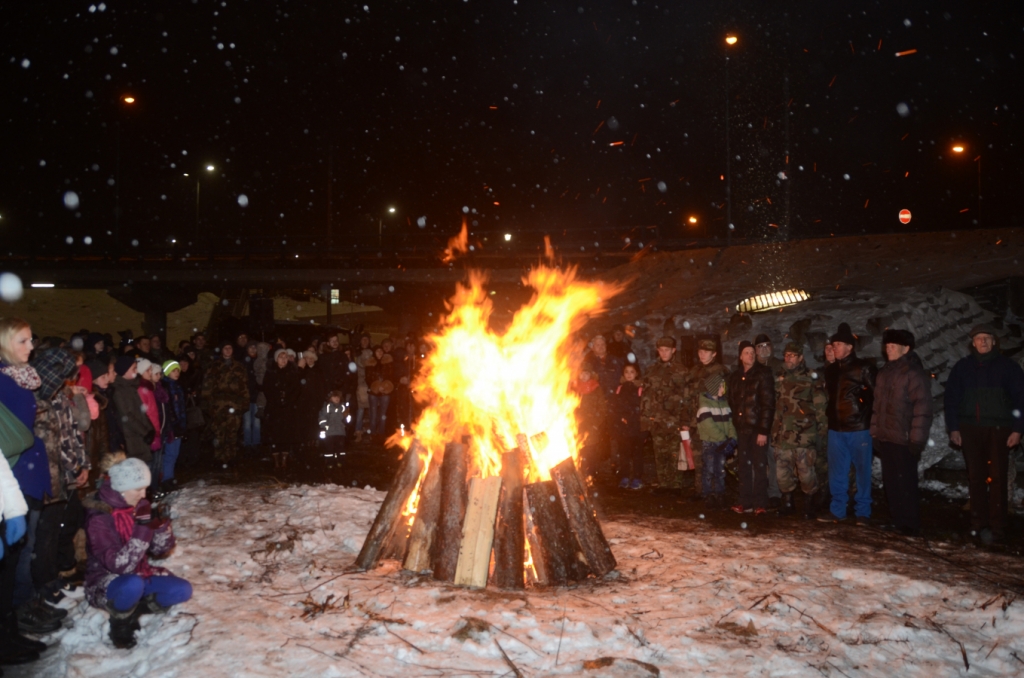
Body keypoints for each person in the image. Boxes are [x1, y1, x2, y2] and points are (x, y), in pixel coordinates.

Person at [83, 458, 191, 649]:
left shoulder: (139, 507)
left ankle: (132, 608)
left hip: (139, 574)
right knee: (133, 584)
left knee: (181, 590)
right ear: (121, 488)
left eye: (145, 488)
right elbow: (120, 566)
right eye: (138, 489)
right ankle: (120, 623)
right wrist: (143, 528)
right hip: (106, 580)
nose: (143, 495)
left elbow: (160, 550)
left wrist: (160, 525)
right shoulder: (99, 518)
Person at [945, 324, 1024, 544]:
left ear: (994, 341)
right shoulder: (962, 367)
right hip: (970, 430)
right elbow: (951, 399)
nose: (983, 342)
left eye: (987, 338)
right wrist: (954, 427)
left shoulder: (1008, 367)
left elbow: (1021, 399)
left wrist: (1018, 429)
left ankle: (998, 527)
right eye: (979, 338)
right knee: (976, 477)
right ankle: (977, 524)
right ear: (973, 343)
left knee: (998, 479)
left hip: (999, 430)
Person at [871, 330, 933, 537]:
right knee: (891, 482)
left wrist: (916, 439)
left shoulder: (913, 374)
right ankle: (897, 520)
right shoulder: (885, 373)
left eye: (893, 346)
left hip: (904, 439)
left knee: (905, 481)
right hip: (887, 436)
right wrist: (876, 432)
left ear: (905, 349)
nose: (888, 349)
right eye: (886, 346)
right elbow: (877, 407)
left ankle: (910, 523)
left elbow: (922, 408)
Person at [820, 323, 877, 526]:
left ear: (850, 347)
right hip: (836, 429)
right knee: (837, 472)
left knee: (862, 472)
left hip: (859, 429)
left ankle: (863, 512)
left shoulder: (863, 368)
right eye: (832, 343)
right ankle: (838, 510)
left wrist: (871, 421)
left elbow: (875, 397)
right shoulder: (831, 370)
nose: (834, 347)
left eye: (838, 344)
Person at [772, 342, 828, 519]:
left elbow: (820, 407)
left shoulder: (812, 378)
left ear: (801, 358)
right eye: (786, 355)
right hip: (783, 435)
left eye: (793, 355)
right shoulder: (779, 378)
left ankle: (809, 504)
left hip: (805, 435)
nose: (788, 358)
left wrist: (822, 431)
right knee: (782, 473)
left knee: (806, 473)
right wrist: (774, 432)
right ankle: (787, 502)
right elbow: (775, 408)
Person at [727, 341, 776, 514]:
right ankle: (745, 502)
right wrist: (737, 422)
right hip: (742, 429)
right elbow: (732, 401)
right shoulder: (734, 377)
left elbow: (768, 404)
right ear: (740, 356)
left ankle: (760, 503)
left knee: (759, 466)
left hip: (757, 430)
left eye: (752, 352)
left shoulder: (763, 374)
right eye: (747, 352)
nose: (750, 355)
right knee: (744, 466)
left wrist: (763, 431)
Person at [680, 338, 730, 499]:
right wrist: (685, 420)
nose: (702, 354)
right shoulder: (693, 371)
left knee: (714, 458)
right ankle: (701, 490)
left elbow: (719, 398)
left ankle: (716, 492)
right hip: (695, 422)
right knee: (698, 457)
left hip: (711, 421)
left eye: (706, 351)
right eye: (700, 351)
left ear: (714, 354)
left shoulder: (719, 371)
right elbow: (687, 398)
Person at [639, 336, 687, 491]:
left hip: (674, 420)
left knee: (674, 453)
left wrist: (684, 420)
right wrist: (645, 418)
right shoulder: (651, 370)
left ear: (673, 350)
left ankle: (675, 485)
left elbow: (687, 398)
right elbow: (646, 396)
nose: (664, 353)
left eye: (667, 350)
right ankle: (663, 484)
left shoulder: (682, 371)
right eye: (661, 350)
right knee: (659, 454)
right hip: (657, 419)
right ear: (657, 350)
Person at [201, 342, 250, 463]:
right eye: (225, 348)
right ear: (221, 350)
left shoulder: (239, 367)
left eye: (230, 348)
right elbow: (207, 387)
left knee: (232, 433)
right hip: (218, 406)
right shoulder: (213, 366)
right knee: (219, 432)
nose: (228, 350)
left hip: (235, 405)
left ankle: (231, 457)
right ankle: (219, 458)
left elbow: (244, 387)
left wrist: (244, 404)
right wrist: (208, 404)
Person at [695, 372, 737, 509]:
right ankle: (708, 494)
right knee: (709, 469)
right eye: (720, 386)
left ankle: (720, 493)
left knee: (720, 470)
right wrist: (724, 440)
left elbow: (730, 422)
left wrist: (733, 438)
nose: (723, 389)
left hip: (723, 443)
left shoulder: (724, 403)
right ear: (713, 388)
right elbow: (709, 426)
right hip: (711, 443)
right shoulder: (704, 406)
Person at [754, 333, 785, 508]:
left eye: (767, 345)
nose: (763, 349)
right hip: (756, 421)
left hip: (775, 420)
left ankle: (774, 493)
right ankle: (758, 492)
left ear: (771, 347)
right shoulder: (752, 368)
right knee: (757, 459)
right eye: (760, 346)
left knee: (774, 459)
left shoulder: (780, 367)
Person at [112, 356, 155, 463]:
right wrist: (145, 432)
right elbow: (127, 415)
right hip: (132, 437)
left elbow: (141, 411)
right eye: (134, 369)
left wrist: (150, 428)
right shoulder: (120, 391)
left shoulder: (132, 387)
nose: (136, 371)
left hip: (140, 435)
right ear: (124, 371)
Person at [263, 349, 302, 470]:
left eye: (285, 357)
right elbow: (267, 389)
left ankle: (284, 459)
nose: (283, 359)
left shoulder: (292, 372)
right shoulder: (270, 372)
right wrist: (277, 399)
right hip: (274, 408)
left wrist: (288, 399)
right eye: (281, 357)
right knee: (275, 434)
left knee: (286, 434)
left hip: (288, 408)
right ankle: (276, 460)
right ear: (276, 359)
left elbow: (296, 389)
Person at [613, 364, 645, 490]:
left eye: (632, 372)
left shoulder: (640, 389)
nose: (629, 374)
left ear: (636, 373)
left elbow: (642, 409)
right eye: (626, 372)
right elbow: (616, 407)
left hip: (636, 427)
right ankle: (624, 476)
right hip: (623, 428)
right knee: (624, 453)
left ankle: (637, 478)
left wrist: (643, 429)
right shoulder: (619, 389)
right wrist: (619, 420)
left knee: (637, 454)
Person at [573, 368, 608, 479]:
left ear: (591, 374)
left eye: (586, 373)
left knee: (591, 450)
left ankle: (591, 474)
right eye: (582, 373)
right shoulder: (574, 389)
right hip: (576, 424)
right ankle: (579, 472)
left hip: (592, 424)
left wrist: (595, 423)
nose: (584, 375)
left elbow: (602, 408)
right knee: (579, 449)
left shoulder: (596, 389)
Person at [160, 361, 187, 493]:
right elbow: (169, 409)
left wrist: (181, 422)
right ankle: (166, 479)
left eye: (178, 370)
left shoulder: (177, 386)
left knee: (174, 453)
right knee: (169, 454)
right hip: (171, 426)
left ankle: (169, 478)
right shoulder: (165, 387)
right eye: (173, 370)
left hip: (177, 424)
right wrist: (172, 423)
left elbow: (180, 407)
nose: (177, 373)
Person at [365, 346, 395, 444]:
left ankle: (381, 434)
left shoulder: (388, 363)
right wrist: (376, 387)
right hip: (373, 392)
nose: (379, 352)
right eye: (377, 351)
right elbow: (368, 378)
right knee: (373, 414)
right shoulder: (370, 363)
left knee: (383, 415)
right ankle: (373, 434)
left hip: (385, 392)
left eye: (381, 351)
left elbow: (391, 376)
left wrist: (385, 387)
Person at [318, 390, 347, 462]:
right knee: (329, 448)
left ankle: (340, 461)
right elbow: (322, 417)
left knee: (340, 447)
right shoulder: (327, 407)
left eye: (338, 397)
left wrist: (346, 422)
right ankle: (329, 461)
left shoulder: (342, 407)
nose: (337, 398)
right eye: (334, 396)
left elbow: (346, 418)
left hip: (340, 432)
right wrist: (323, 427)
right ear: (330, 398)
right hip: (330, 432)